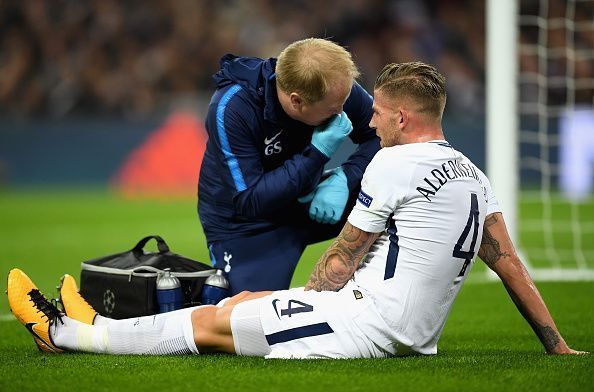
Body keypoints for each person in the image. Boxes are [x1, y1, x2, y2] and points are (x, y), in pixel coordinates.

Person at [8, 61, 586, 358]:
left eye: (379, 114)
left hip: (367, 328)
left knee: (215, 324)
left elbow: (340, 260)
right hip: (388, 320)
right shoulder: (473, 174)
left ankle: (67, 333)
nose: (371, 122)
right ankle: (96, 323)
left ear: (403, 119)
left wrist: (302, 301)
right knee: (242, 302)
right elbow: (506, 259)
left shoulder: (391, 164)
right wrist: (554, 343)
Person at [198, 38, 380, 294]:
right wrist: (318, 153)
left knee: (404, 186)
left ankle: (376, 298)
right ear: (296, 101)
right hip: (248, 226)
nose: (342, 112)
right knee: (248, 324)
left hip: (312, 198)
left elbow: (383, 136)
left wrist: (344, 178)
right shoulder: (231, 108)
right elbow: (249, 199)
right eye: (333, 109)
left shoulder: (333, 88)